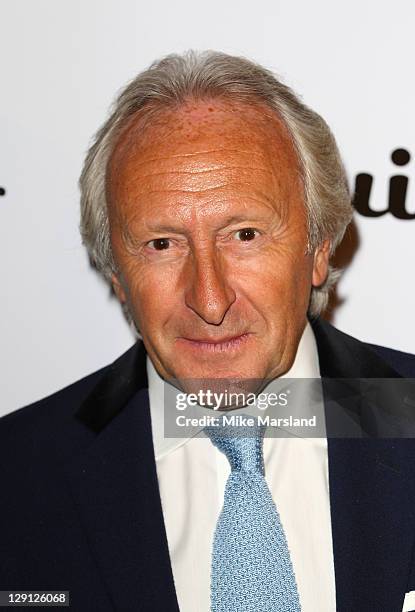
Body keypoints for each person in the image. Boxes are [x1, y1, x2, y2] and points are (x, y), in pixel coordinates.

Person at [1, 50, 415, 612]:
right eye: (161, 244)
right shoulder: (18, 475)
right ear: (118, 274)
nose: (210, 299)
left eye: (244, 235)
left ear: (318, 249)